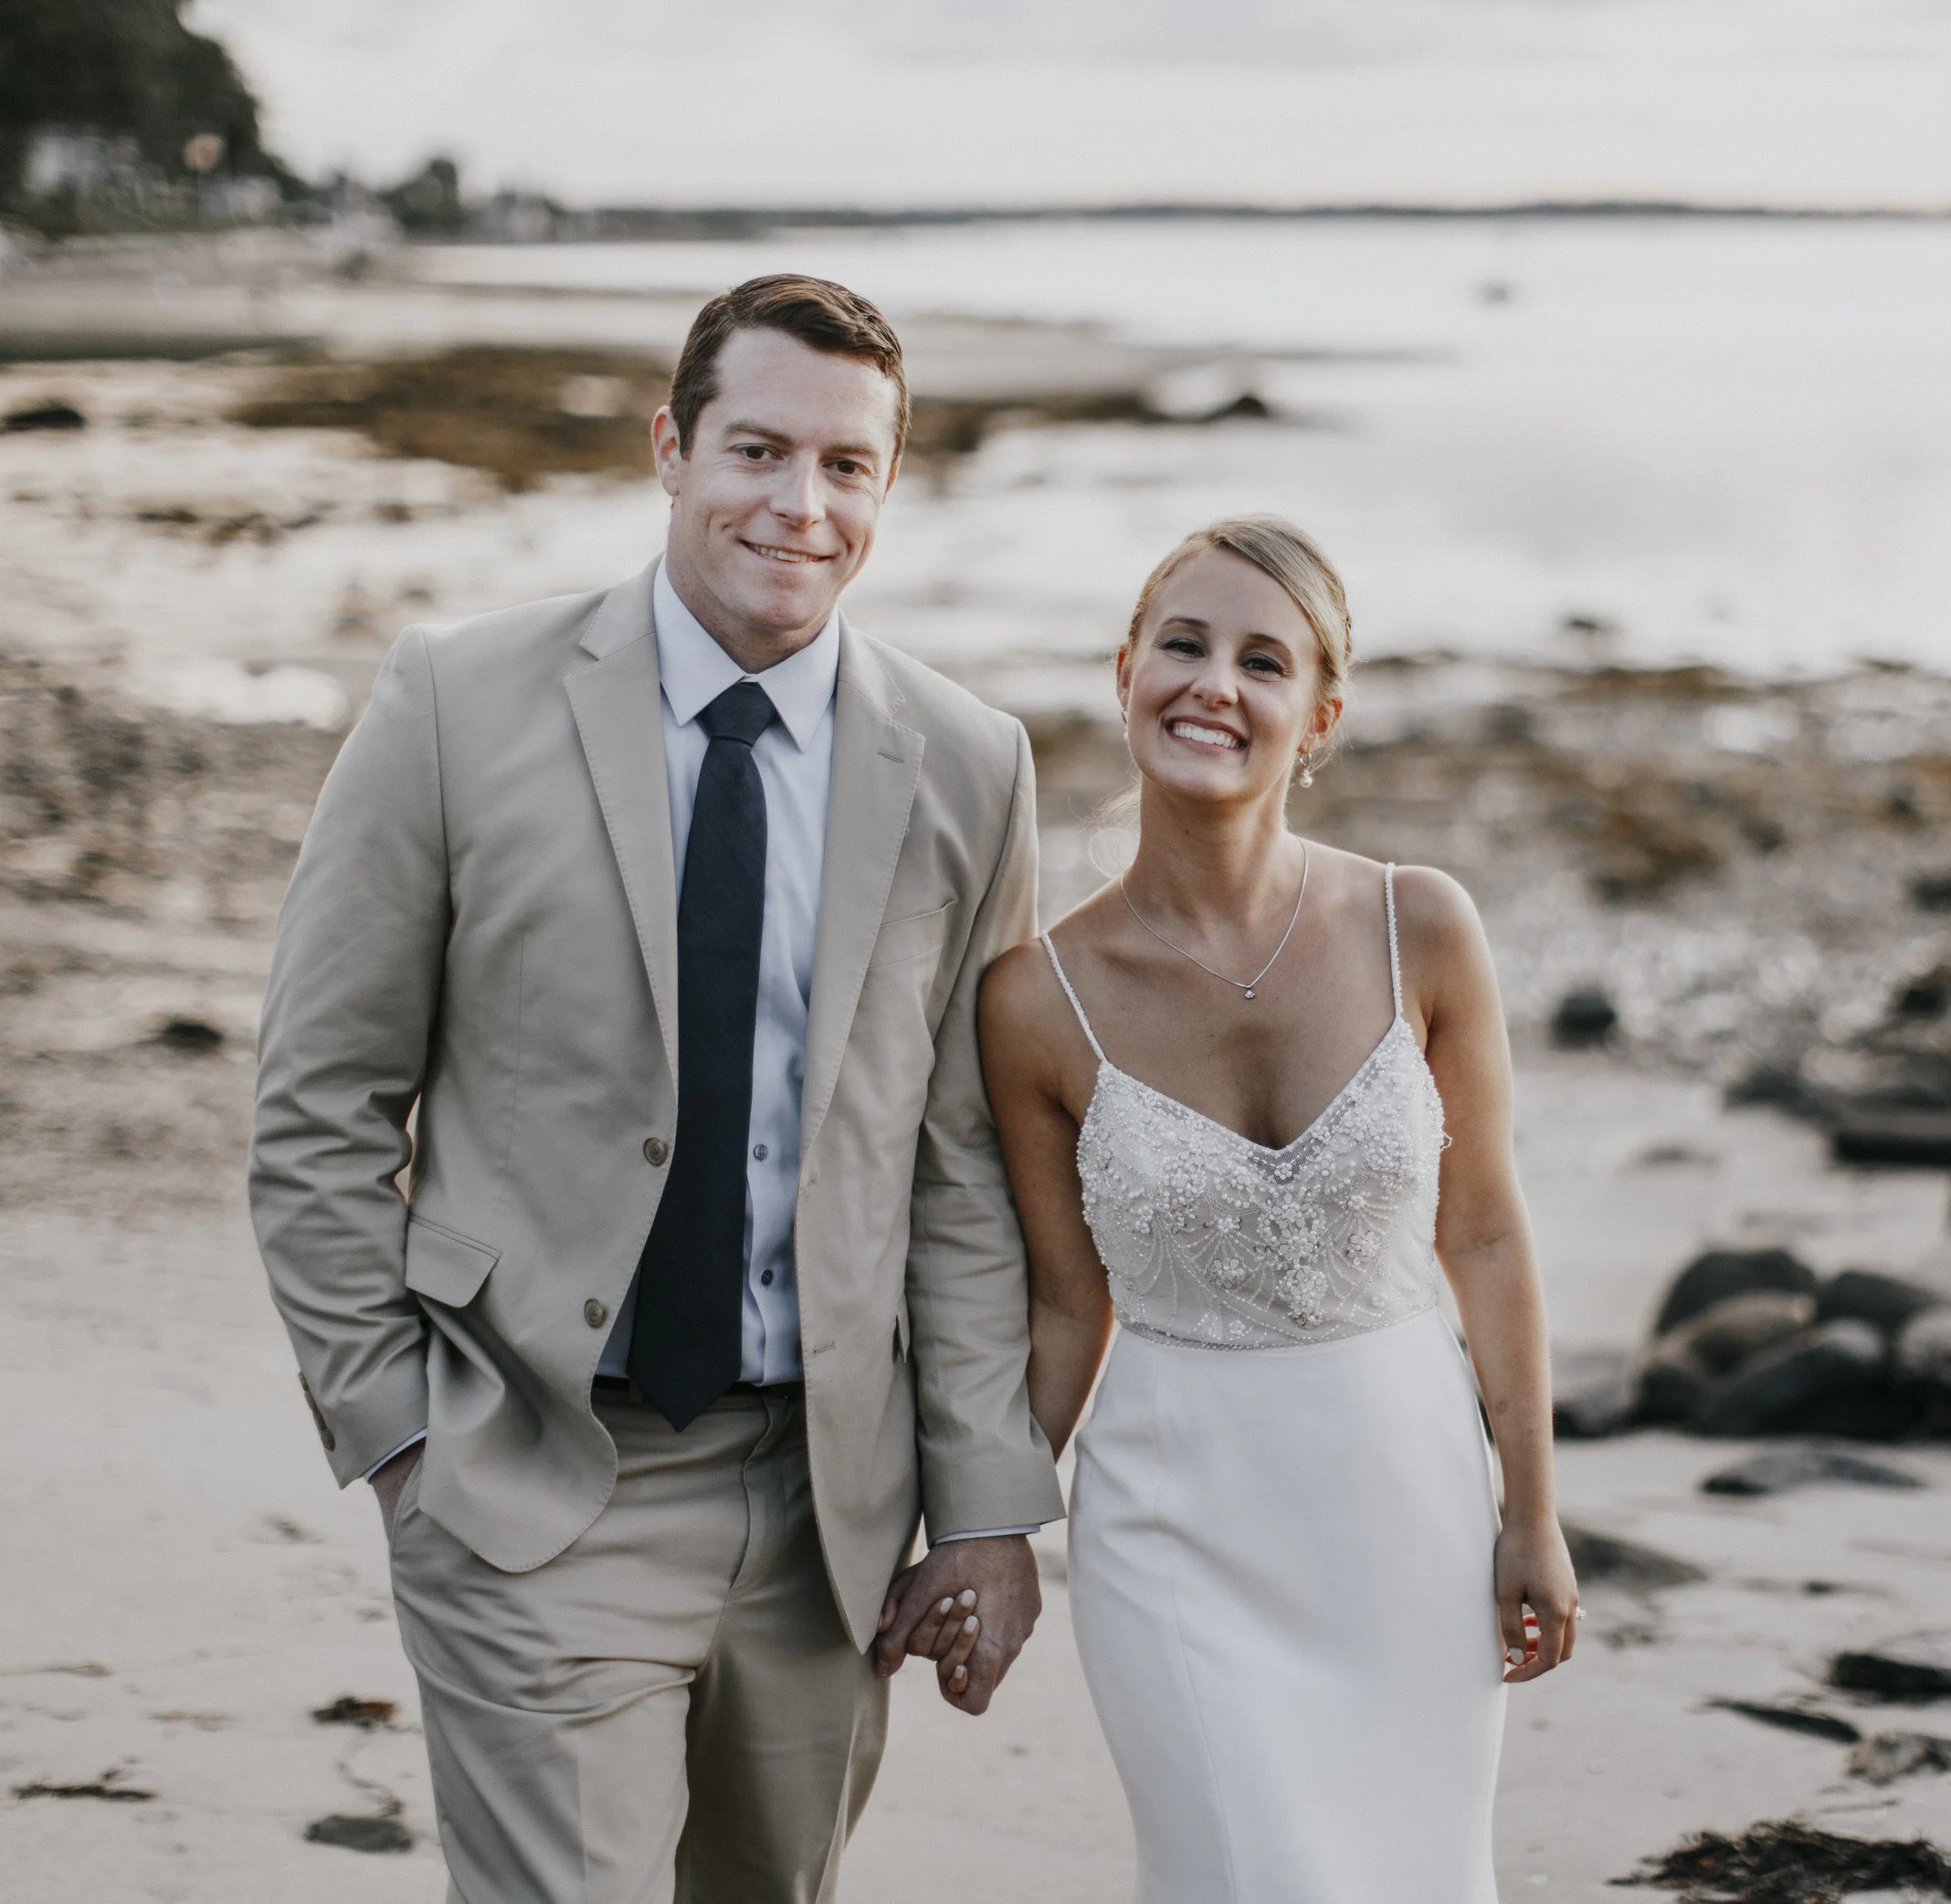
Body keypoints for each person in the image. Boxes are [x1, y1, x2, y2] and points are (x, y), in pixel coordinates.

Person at [248, 274, 1064, 1904]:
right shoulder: (454, 701)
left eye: (847, 467)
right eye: (757, 449)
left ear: (888, 488)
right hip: (535, 1471)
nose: (799, 504)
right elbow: (319, 1108)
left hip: (830, 1508)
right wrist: (400, 1439)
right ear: (670, 449)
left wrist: (986, 1505)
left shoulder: (973, 764)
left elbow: (962, 1175)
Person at [981, 516, 1580, 1903]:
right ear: (1125, 670)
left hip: (1406, 1506)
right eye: (1183, 644)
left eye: (1264, 660)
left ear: (1319, 717)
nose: (1214, 685)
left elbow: (1484, 1231)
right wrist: (984, 1529)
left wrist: (1532, 1513)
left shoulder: (1420, 927)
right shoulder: (1034, 1001)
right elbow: (1070, 1309)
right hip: (1172, 1517)